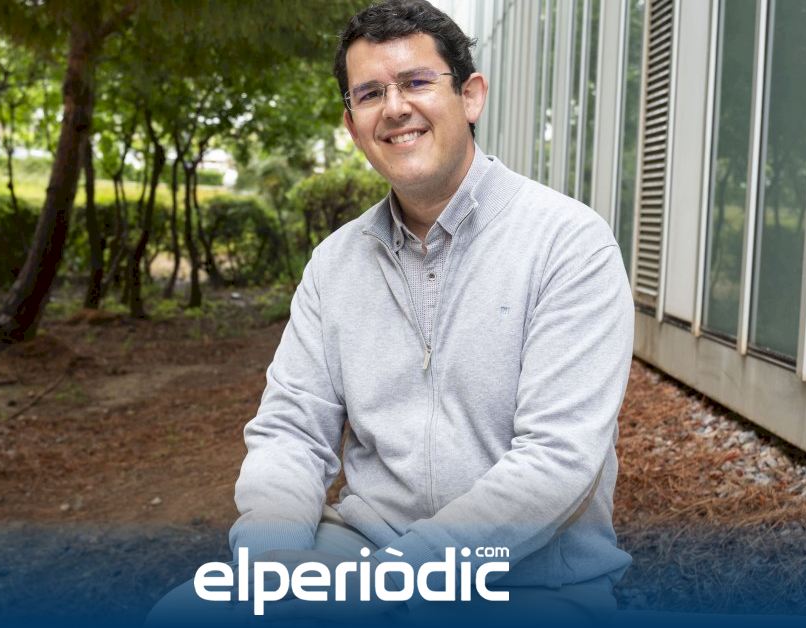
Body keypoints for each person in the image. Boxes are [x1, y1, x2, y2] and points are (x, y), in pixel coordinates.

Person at [148, 1, 633, 625]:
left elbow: (557, 460)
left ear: (471, 96)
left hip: (530, 578)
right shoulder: (334, 263)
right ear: (352, 125)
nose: (395, 108)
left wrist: (396, 580)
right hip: (360, 548)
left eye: (417, 82)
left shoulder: (569, 243)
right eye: (370, 93)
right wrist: (271, 559)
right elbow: (292, 431)